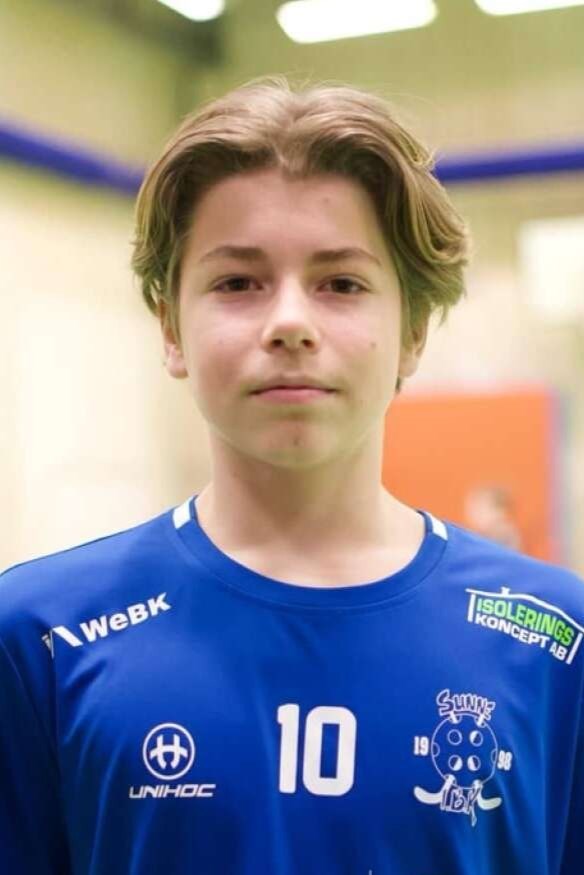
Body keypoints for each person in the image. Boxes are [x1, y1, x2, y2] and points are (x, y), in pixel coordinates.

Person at [1, 74, 582, 875]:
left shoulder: (556, 643)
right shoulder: (40, 635)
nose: (289, 323)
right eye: (237, 282)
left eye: (341, 283)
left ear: (413, 330)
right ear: (171, 327)